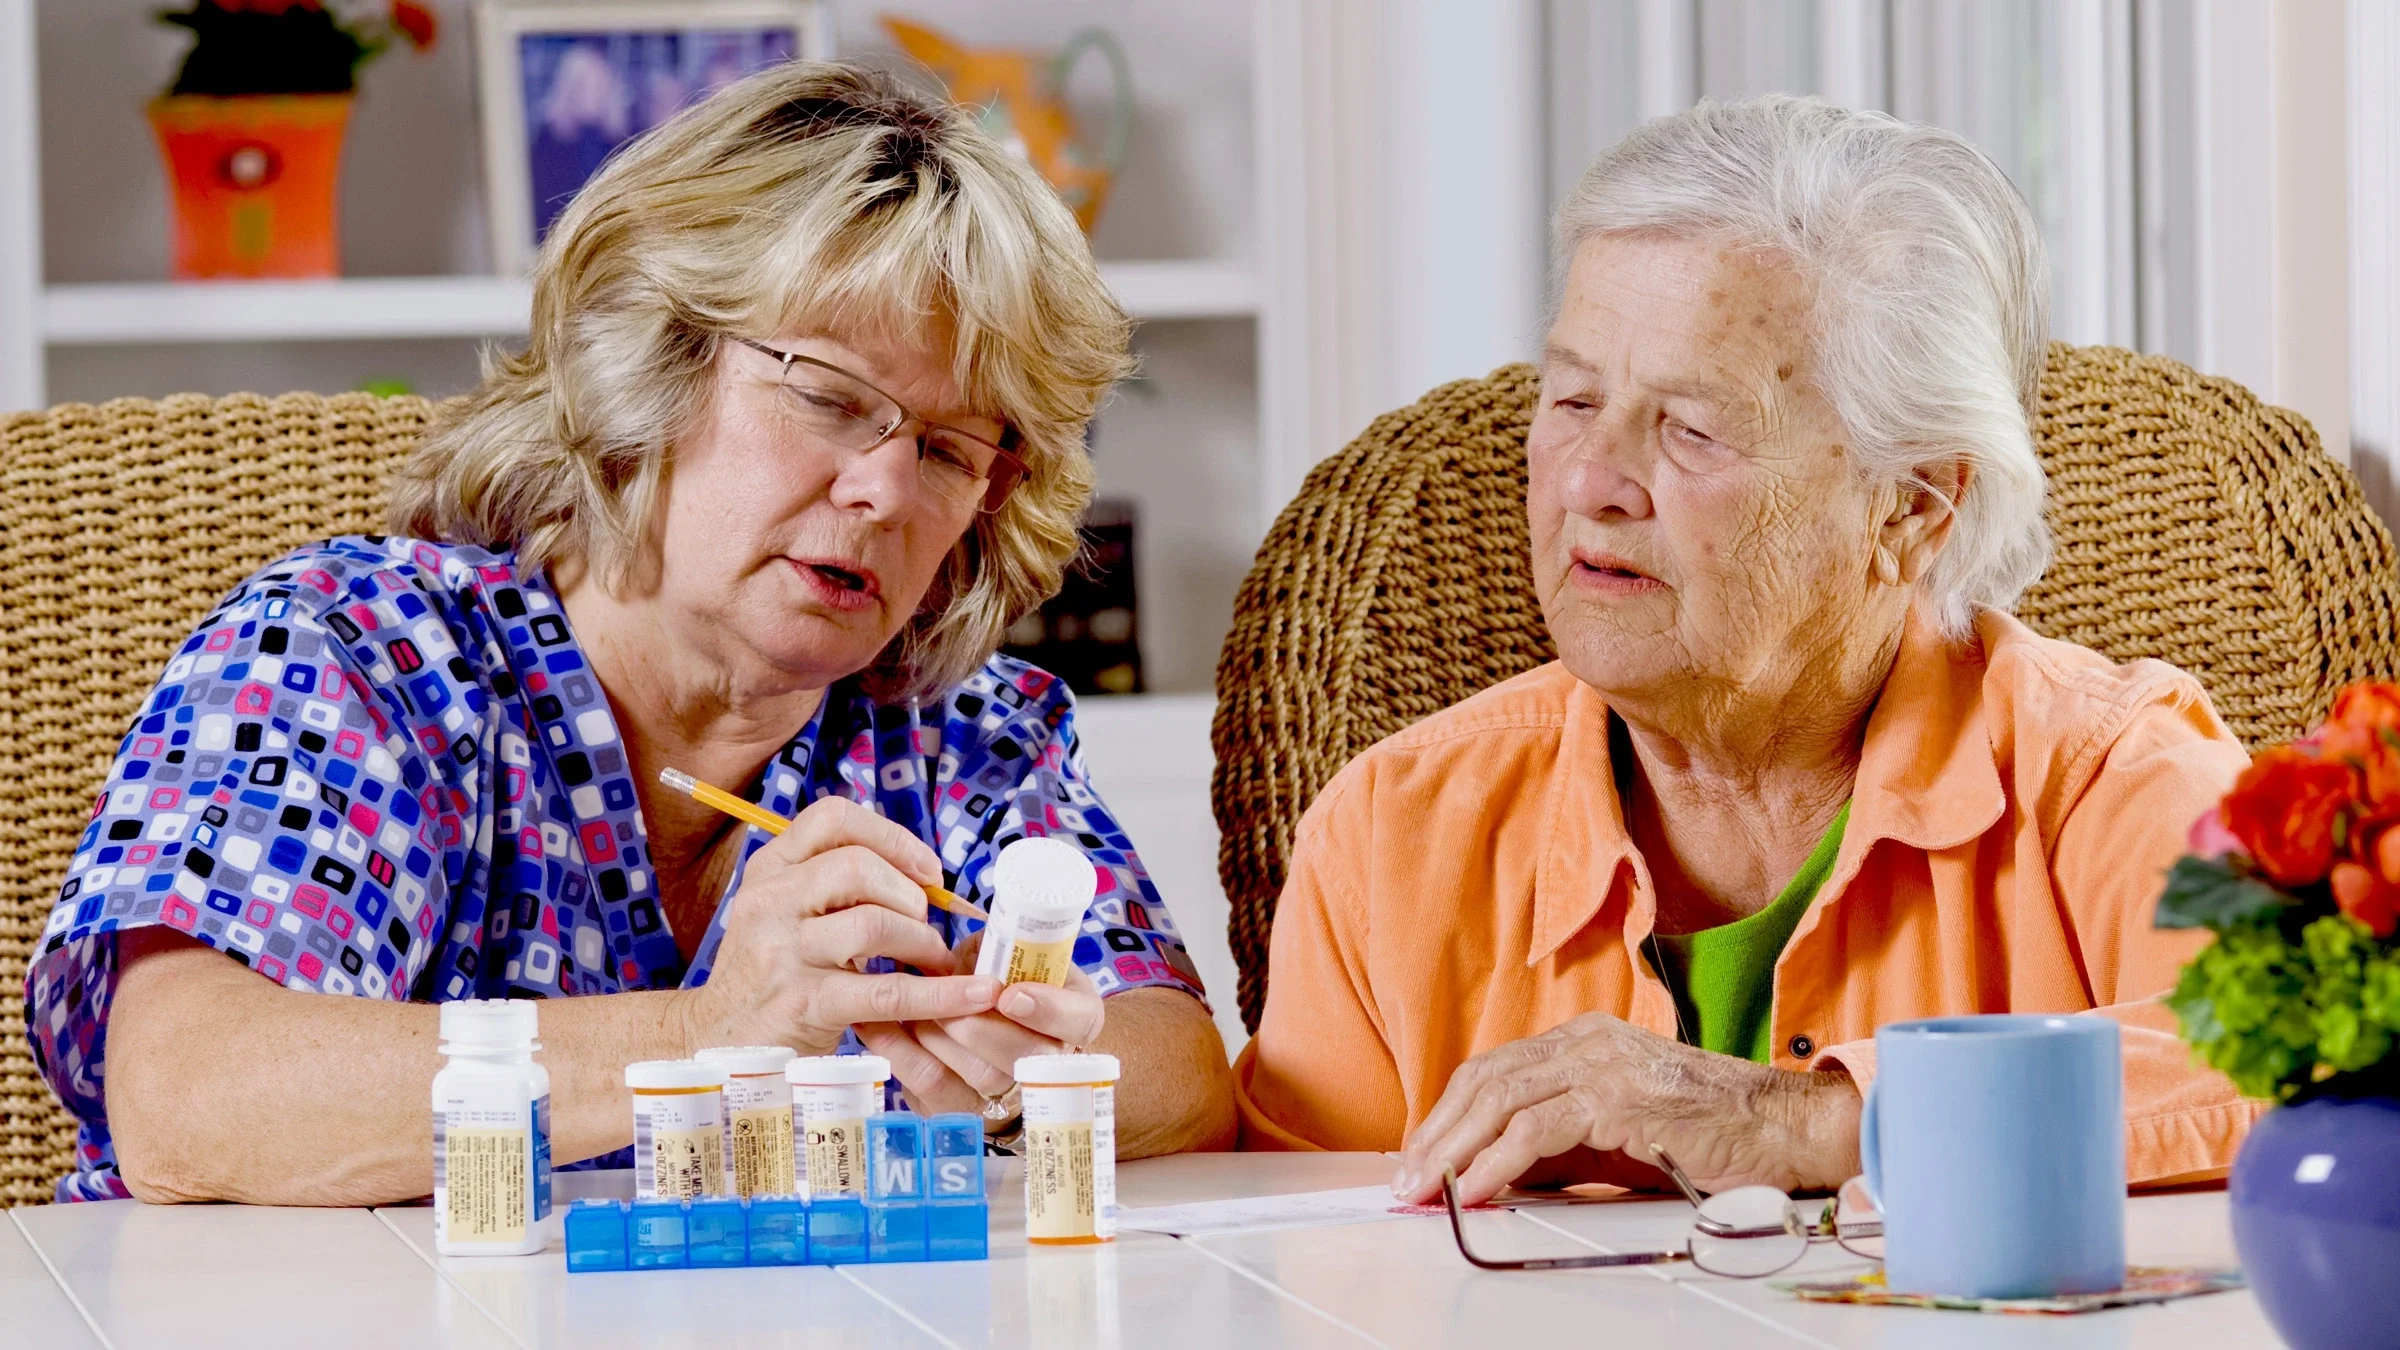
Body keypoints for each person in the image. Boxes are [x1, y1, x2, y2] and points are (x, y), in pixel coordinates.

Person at [28, 63, 1234, 1205]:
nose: (884, 492)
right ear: (646, 365)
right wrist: (713, 1031)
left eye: (948, 450)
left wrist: (1020, 1082)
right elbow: (186, 1094)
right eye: (827, 397)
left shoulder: (959, 727)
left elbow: (1182, 1060)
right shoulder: (361, 654)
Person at [1233, 95, 2259, 1204]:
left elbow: (2317, 1075)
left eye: (1691, 428)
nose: (1588, 482)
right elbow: (1298, 1253)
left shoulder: (2107, 779)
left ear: (1912, 508)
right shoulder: (1392, 835)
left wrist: (1823, 1121)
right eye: (1574, 396)